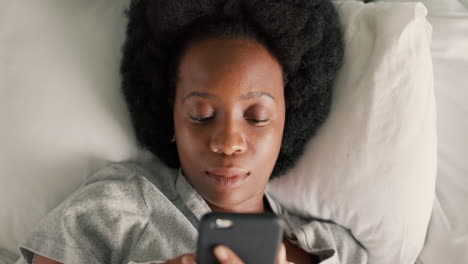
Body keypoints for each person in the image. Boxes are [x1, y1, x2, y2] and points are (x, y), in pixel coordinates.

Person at [19, 0, 368, 263]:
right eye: (201, 115)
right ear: (170, 115)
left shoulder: (335, 250)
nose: (228, 143)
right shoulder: (118, 208)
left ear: (288, 121)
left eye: (257, 116)